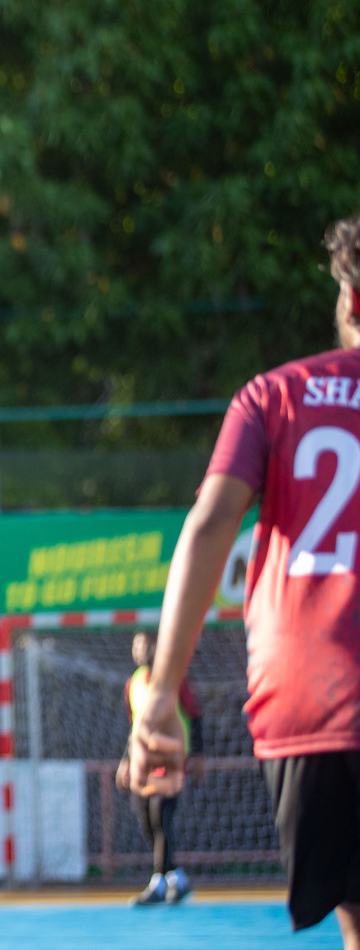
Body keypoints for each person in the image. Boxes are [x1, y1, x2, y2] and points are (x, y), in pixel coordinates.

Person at [130, 212, 360, 947]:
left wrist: (161, 695)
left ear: (349, 302)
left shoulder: (272, 395)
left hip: (310, 697)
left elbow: (206, 527)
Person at [116, 631, 201, 906]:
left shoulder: (173, 678)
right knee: (145, 818)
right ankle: (176, 877)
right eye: (136, 644)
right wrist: (127, 761)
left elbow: (195, 714)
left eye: (146, 644)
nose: (140, 649)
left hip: (171, 758)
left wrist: (197, 754)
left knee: (160, 815)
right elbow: (135, 727)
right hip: (145, 761)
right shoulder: (134, 683)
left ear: (157, 647)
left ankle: (158, 883)